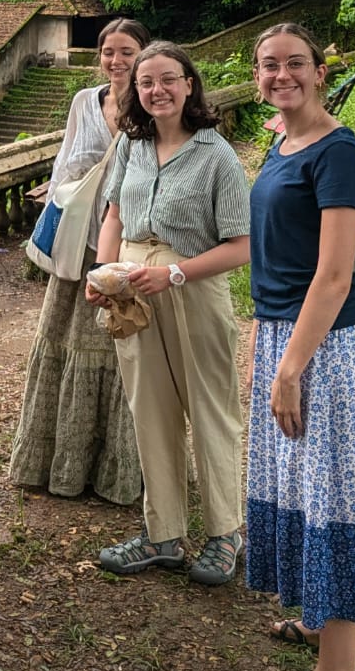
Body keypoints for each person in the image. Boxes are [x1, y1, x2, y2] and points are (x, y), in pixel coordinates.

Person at [246, 23, 355, 671]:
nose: (281, 74)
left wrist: (290, 368)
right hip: (291, 335)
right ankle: (343, 627)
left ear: (319, 71)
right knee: (314, 488)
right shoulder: (282, 140)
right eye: (268, 65)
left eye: (295, 63)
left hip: (326, 349)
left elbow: (334, 276)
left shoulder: (338, 152)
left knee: (335, 495)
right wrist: (266, 338)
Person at [87, 41, 250, 586]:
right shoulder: (132, 145)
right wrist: (102, 274)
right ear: (135, 91)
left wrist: (174, 274)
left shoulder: (216, 154)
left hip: (191, 288)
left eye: (167, 80)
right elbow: (114, 214)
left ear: (188, 85)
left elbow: (242, 246)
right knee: (150, 412)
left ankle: (225, 533)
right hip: (132, 289)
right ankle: (164, 535)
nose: (157, 90)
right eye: (146, 82)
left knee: (210, 410)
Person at [8, 17, 150, 503]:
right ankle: (60, 462)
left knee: (124, 347)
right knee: (65, 340)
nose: (116, 61)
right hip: (80, 242)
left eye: (127, 52)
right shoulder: (84, 102)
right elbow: (64, 161)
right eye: (109, 51)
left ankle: (122, 468)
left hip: (130, 243)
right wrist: (60, 203)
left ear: (144, 55)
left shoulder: (153, 104)